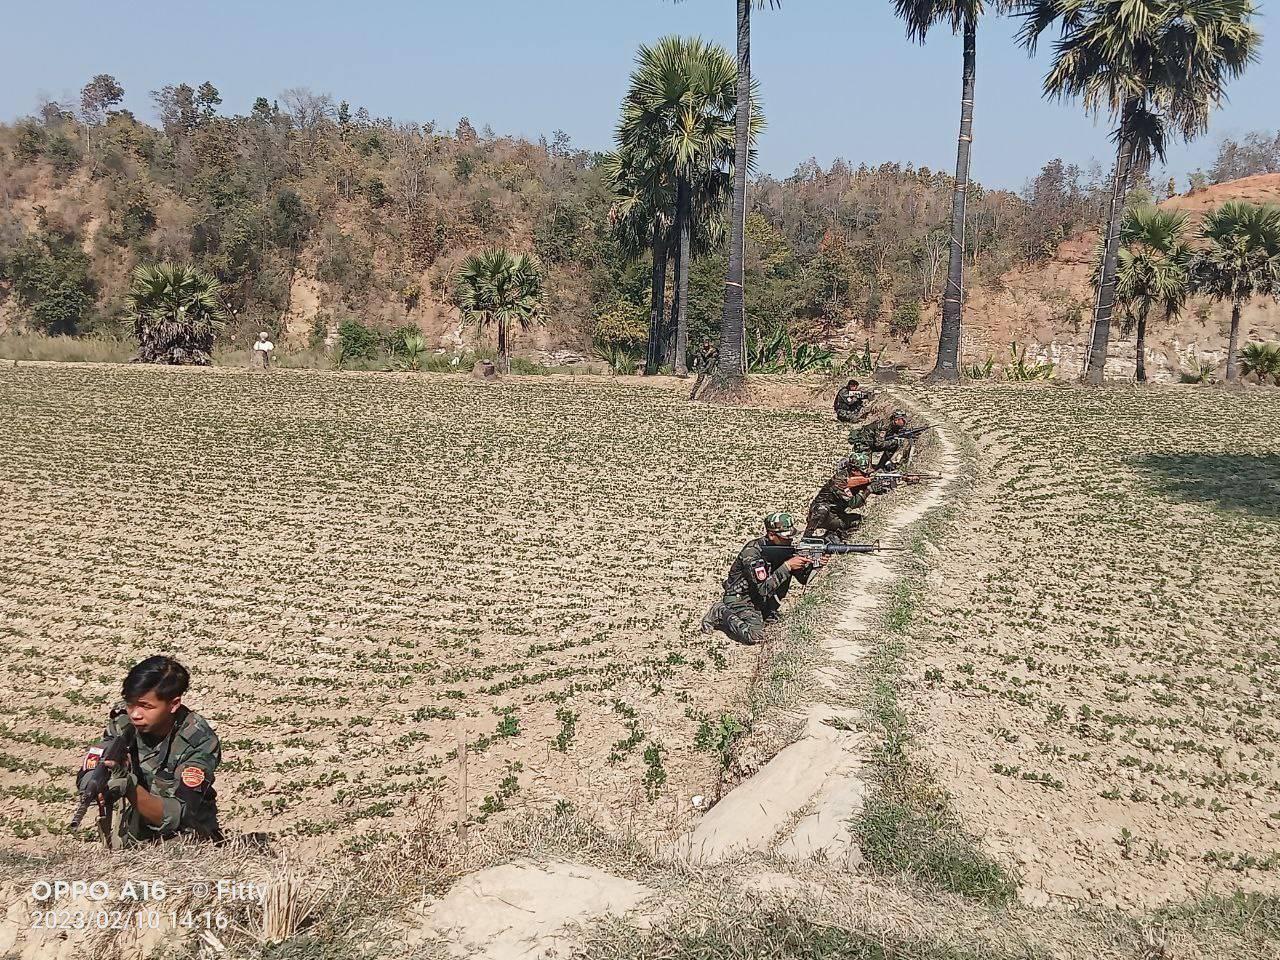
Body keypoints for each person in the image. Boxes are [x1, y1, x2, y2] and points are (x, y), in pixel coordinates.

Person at [77, 656, 223, 845]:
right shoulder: (123, 722)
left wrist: (130, 787)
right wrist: (96, 781)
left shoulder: (198, 740)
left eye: (146, 706)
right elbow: (96, 758)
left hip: (185, 838)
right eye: (130, 704)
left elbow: (179, 814)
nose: (135, 714)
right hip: (134, 829)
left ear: (173, 704)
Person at [701, 512, 822, 645]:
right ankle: (720, 611)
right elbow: (763, 588)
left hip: (760, 599)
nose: (790, 541)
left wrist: (816, 565)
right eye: (785, 537)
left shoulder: (783, 550)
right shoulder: (752, 553)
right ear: (771, 535)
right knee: (755, 636)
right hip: (740, 598)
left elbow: (804, 579)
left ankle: (768, 612)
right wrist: (787, 566)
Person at [804, 452, 890, 542]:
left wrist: (880, 486)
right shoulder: (840, 481)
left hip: (837, 515)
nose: (866, 475)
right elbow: (853, 503)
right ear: (853, 470)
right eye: (863, 472)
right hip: (823, 515)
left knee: (860, 521)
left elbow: (874, 489)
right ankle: (806, 538)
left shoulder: (856, 479)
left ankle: (834, 536)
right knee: (822, 509)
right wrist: (868, 490)